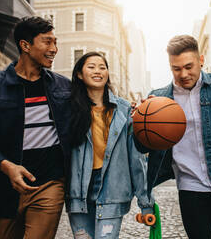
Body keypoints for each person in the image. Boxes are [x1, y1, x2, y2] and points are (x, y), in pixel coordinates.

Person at [135, 35, 211, 239]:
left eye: (189, 66)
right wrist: (139, 121)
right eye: (176, 68)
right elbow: (143, 148)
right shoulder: (158, 99)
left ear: (201, 59)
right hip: (189, 187)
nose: (183, 74)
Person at [0, 16, 71, 238]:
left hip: (49, 184)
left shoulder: (64, 87)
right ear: (25, 45)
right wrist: (7, 166)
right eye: (47, 42)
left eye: (55, 42)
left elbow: (95, 112)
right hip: (2, 188)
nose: (54, 49)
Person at [66, 52, 154, 239]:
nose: (98, 71)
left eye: (102, 67)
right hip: (78, 191)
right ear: (80, 74)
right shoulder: (68, 108)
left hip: (112, 190)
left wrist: (146, 203)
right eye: (91, 66)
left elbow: (136, 158)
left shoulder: (124, 110)